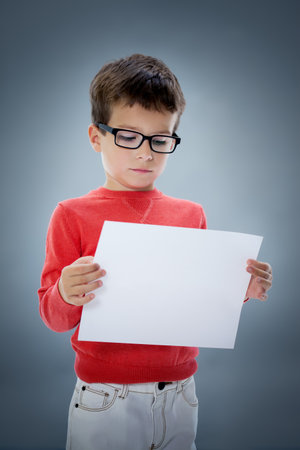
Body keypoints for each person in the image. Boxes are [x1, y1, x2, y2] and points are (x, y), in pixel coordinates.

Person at [38, 54, 273, 450]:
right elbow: (53, 317)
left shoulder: (190, 213)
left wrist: (239, 291)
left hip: (181, 393)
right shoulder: (71, 214)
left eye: (160, 139)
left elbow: (195, 301)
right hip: (107, 397)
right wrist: (63, 291)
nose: (146, 153)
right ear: (96, 137)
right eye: (128, 136)